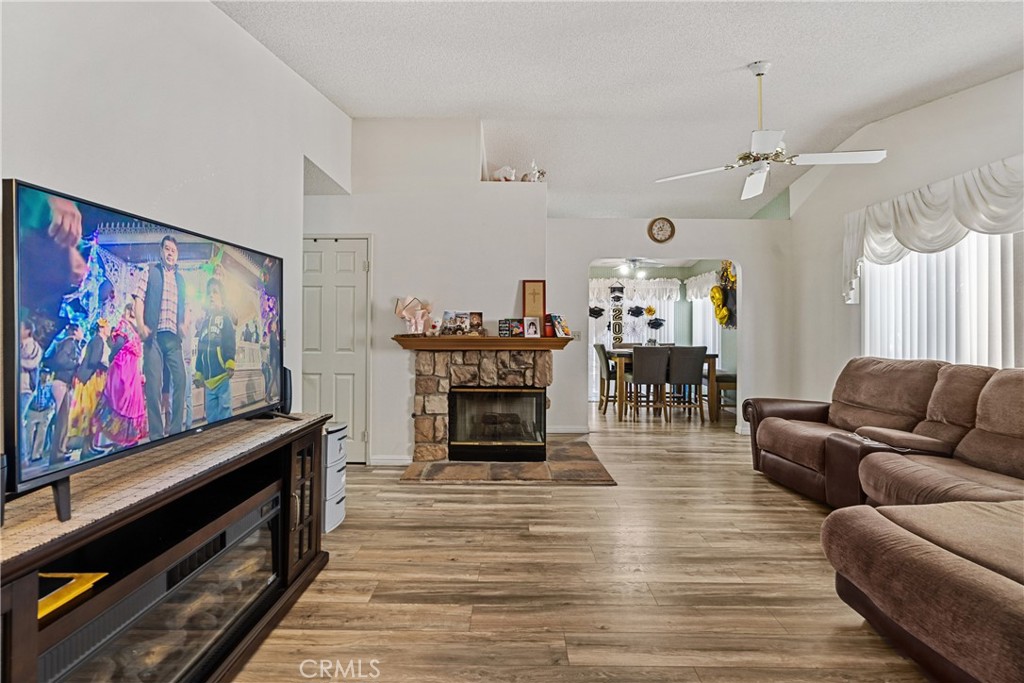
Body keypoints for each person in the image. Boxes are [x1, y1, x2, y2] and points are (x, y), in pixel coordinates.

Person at [133, 235, 187, 440]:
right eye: (167, 249)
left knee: (181, 380)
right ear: (161, 251)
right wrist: (140, 324)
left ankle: (176, 432)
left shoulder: (181, 279)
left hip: (173, 339)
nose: (170, 253)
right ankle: (156, 435)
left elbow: (186, 305)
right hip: (154, 337)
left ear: (177, 254)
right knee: (154, 386)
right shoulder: (150, 272)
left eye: (174, 250)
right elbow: (139, 299)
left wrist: (185, 323)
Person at [92, 303, 148, 450]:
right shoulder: (124, 325)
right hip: (124, 368)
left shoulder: (133, 328)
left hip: (132, 370)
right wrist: (112, 358)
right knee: (122, 400)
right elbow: (119, 345)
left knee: (131, 402)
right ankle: (119, 439)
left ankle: (127, 439)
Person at [194, 278, 236, 423]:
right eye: (209, 293)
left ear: (222, 300)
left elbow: (230, 341)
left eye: (215, 293)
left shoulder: (225, 319)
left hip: (222, 376)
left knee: (225, 411)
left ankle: (227, 440)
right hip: (208, 382)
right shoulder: (204, 324)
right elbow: (201, 350)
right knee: (211, 415)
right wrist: (199, 372)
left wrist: (230, 362)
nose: (211, 296)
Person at [67, 319, 112, 452]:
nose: (109, 329)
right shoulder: (97, 340)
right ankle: (86, 449)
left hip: (96, 378)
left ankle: (90, 446)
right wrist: (106, 365)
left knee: (94, 413)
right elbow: (93, 361)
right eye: (107, 326)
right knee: (90, 412)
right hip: (93, 379)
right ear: (102, 328)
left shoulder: (99, 341)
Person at [45, 323, 83, 461]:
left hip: (63, 384)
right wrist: (75, 363)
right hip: (61, 383)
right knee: (62, 419)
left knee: (64, 419)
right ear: (75, 331)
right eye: (81, 330)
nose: (82, 333)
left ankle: (61, 450)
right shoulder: (69, 343)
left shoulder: (70, 343)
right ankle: (57, 454)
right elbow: (61, 360)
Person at [19, 320, 42, 459]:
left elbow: (31, 363)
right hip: (17, 387)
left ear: (27, 330)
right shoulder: (18, 345)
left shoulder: (33, 347)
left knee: (19, 419)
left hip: (25, 388)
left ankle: (23, 457)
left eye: (20, 327)